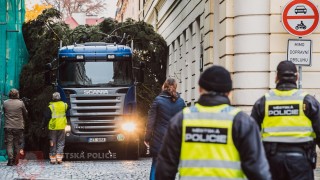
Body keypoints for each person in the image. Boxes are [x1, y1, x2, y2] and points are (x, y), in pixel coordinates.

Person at [156, 66, 271, 180]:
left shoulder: (181, 120)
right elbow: (258, 171)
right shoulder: (241, 122)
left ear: (200, 89)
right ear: (229, 92)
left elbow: (165, 168)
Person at [251, 60, 320, 180]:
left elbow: (251, 136)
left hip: (271, 162)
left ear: (276, 77)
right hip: (301, 163)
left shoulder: (263, 102)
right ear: (296, 77)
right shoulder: (308, 102)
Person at [144, 78, 185, 180]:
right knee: (172, 167)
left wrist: (147, 138)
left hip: (159, 139)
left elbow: (151, 122)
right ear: (175, 87)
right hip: (175, 140)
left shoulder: (157, 101)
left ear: (164, 86)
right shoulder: (181, 102)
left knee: (155, 165)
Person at [3, 88, 28, 166]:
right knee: (17, 144)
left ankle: (10, 160)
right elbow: (25, 113)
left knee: (9, 143)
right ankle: (15, 160)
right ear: (17, 94)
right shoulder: (21, 103)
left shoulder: (5, 103)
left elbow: (4, 111)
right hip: (18, 126)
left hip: (8, 126)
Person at [43, 92, 68, 164]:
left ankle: (53, 159)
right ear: (60, 98)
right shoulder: (64, 105)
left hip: (53, 127)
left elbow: (46, 117)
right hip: (62, 126)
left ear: (53, 98)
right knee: (61, 142)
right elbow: (69, 107)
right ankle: (59, 159)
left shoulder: (50, 107)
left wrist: (43, 126)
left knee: (52, 142)